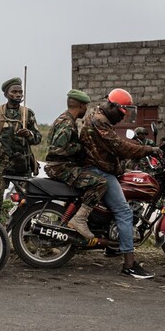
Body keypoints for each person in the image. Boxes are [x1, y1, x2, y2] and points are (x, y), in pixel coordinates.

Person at [80, 88, 161, 279]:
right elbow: (120, 146)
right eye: (121, 113)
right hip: (98, 170)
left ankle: (113, 248)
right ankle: (129, 264)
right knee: (124, 211)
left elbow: (113, 145)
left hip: (99, 167)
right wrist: (148, 149)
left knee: (117, 207)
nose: (121, 118)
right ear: (112, 106)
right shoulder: (100, 121)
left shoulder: (98, 116)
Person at [44, 89, 107, 239]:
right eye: (85, 106)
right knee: (100, 183)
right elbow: (58, 149)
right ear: (80, 105)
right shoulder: (66, 123)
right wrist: (81, 147)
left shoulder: (64, 119)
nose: (86, 110)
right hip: (60, 168)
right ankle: (80, 219)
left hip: (61, 166)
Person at [0, 77, 41, 215]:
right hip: (1, 166)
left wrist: (28, 134)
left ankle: (23, 234)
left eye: (20, 92)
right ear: (6, 94)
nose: (18, 94)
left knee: (27, 204)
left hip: (23, 166)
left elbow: (38, 138)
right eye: (14, 91)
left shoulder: (27, 114)